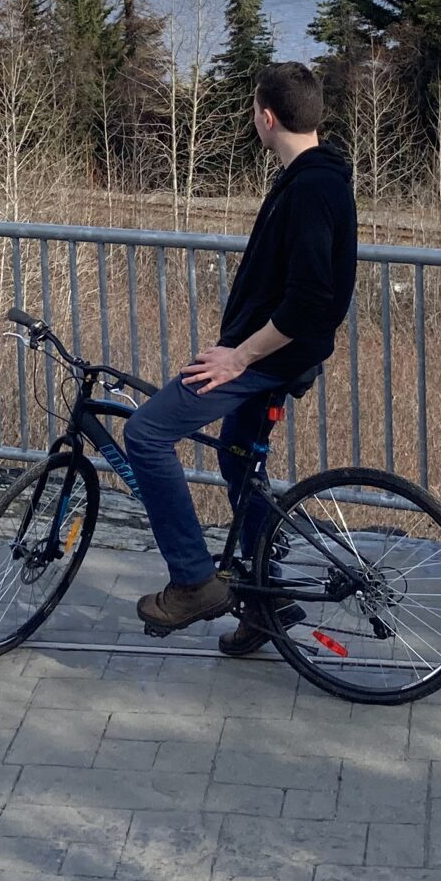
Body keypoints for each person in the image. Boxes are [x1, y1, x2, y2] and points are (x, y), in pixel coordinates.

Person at [124, 60, 357, 648]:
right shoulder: (315, 175)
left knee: (146, 435)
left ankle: (194, 582)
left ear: (266, 116)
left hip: (267, 360)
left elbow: (309, 303)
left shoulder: (311, 188)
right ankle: (263, 602)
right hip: (270, 356)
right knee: (236, 463)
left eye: (254, 109)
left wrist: (239, 357)